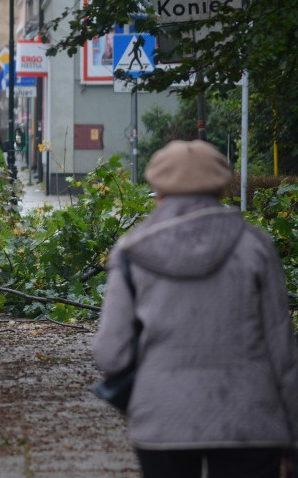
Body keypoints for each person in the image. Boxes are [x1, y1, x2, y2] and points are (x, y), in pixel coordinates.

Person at [93, 140, 298, 478]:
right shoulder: (256, 247)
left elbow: (111, 353)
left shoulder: (131, 252)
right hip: (250, 420)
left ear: (157, 189)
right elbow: (283, 354)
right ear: (221, 188)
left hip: (163, 418)